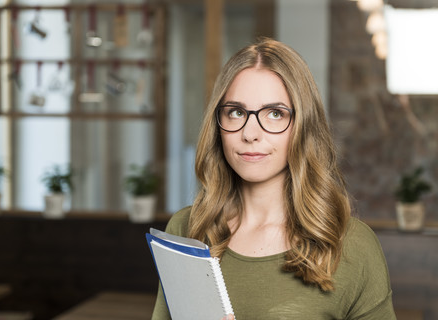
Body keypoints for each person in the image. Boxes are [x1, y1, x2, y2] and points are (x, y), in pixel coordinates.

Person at [151, 37, 396, 319]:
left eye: (275, 114)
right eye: (236, 112)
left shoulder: (351, 244)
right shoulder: (186, 230)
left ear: (303, 126)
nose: (250, 133)